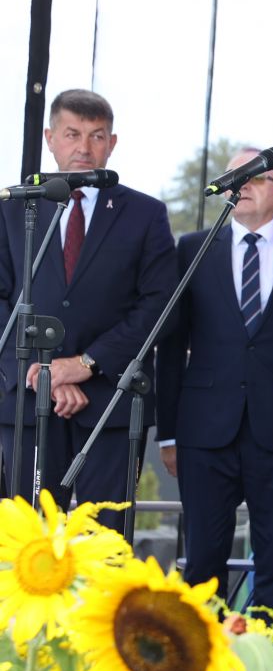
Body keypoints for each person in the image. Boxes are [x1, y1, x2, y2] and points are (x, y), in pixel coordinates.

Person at [156, 148, 273, 613]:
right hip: (204, 432)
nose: (243, 185)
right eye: (235, 177)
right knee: (202, 563)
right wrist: (168, 433)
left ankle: (270, 658)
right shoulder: (193, 248)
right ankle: (204, 655)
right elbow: (171, 347)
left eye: (256, 177)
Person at [0, 89, 176, 531]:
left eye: (96, 136)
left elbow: (159, 306)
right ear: (50, 138)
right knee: (30, 541)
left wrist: (84, 364)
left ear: (111, 143)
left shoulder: (145, 214)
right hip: (28, 402)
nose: (84, 147)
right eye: (72, 133)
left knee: (106, 542)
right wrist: (45, 374)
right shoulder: (15, 208)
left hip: (111, 402)